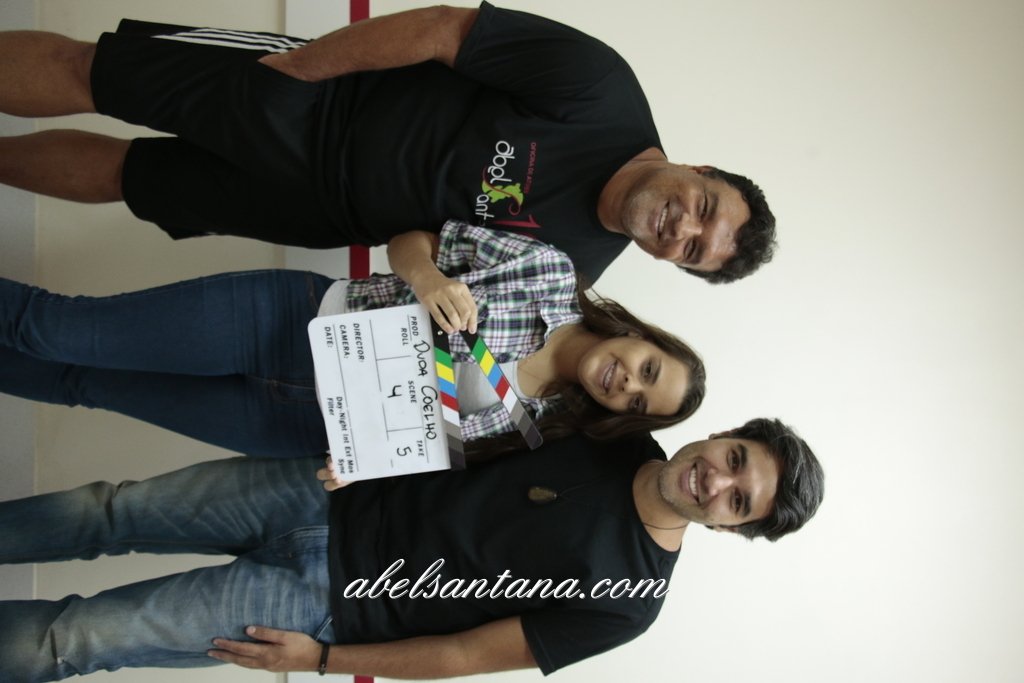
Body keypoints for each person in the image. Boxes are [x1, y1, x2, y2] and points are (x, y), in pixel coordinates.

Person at [0, 3, 775, 284]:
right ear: (700, 169)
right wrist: (299, 70)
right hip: (320, 100)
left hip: (322, 213)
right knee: (94, 73)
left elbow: (430, 250)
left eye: (693, 250)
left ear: (677, 264)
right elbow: (443, 29)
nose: (682, 226)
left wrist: (425, 277)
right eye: (704, 208)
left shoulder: (570, 269)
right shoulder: (602, 89)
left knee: (133, 179)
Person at [0, 418, 825, 681]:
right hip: (321, 489)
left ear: (731, 529)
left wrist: (324, 660)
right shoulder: (613, 425)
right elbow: (468, 415)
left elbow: (466, 652)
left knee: (78, 637)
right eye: (736, 458)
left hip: (321, 606)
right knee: (109, 510)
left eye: (738, 500)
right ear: (725, 434)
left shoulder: (630, 602)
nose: (717, 481)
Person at [0, 221, 705, 458]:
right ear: (639, 336)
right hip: (289, 322)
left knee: (86, 385)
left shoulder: (545, 428)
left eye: (638, 403)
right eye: (648, 368)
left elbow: (427, 450)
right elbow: (410, 241)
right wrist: (427, 277)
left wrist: (361, 464)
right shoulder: (548, 272)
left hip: (294, 425)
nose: (627, 384)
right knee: (58, 328)